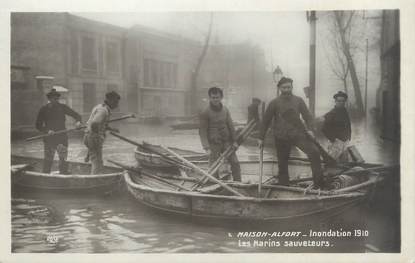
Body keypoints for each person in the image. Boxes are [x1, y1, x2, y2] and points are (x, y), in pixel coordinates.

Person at [258, 77, 324, 188]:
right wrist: (261, 138)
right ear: (279, 88)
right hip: (281, 136)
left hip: (298, 134)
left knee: (314, 152)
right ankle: (284, 187)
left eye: (289, 87)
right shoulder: (274, 103)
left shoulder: (298, 101)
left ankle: (319, 184)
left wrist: (311, 130)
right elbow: (265, 121)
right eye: (284, 88)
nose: (287, 90)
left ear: (292, 87)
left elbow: (308, 117)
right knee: (282, 163)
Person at [35, 88, 82, 174]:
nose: (56, 101)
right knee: (48, 160)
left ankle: (63, 174)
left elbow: (76, 115)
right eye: (54, 99)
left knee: (63, 159)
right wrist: (47, 131)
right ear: (49, 99)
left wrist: (78, 122)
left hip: (62, 138)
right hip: (50, 139)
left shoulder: (62, 107)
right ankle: (46, 177)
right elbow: (38, 125)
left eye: (57, 99)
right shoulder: (44, 109)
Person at [199, 87, 241, 181]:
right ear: (210, 98)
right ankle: (215, 185)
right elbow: (202, 131)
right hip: (214, 144)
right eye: (213, 97)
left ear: (221, 97)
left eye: (217, 97)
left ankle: (238, 183)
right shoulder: (205, 112)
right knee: (214, 167)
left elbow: (231, 126)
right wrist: (206, 148)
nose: (215, 100)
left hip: (227, 142)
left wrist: (234, 141)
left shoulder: (225, 110)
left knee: (235, 162)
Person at [84, 91, 121, 174]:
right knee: (97, 162)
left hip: (88, 136)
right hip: (93, 137)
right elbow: (94, 124)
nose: (116, 105)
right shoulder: (103, 111)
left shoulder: (99, 107)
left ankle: (95, 175)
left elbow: (100, 124)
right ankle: (94, 180)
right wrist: (97, 137)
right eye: (115, 102)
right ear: (110, 100)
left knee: (96, 159)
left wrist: (111, 129)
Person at [321, 91, 351, 161]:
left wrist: (349, 137)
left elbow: (348, 125)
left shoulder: (345, 112)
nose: (341, 103)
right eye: (339, 101)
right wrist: (334, 140)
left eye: (343, 101)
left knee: (344, 163)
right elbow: (324, 129)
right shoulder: (331, 113)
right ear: (335, 101)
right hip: (335, 144)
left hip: (345, 142)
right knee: (331, 163)